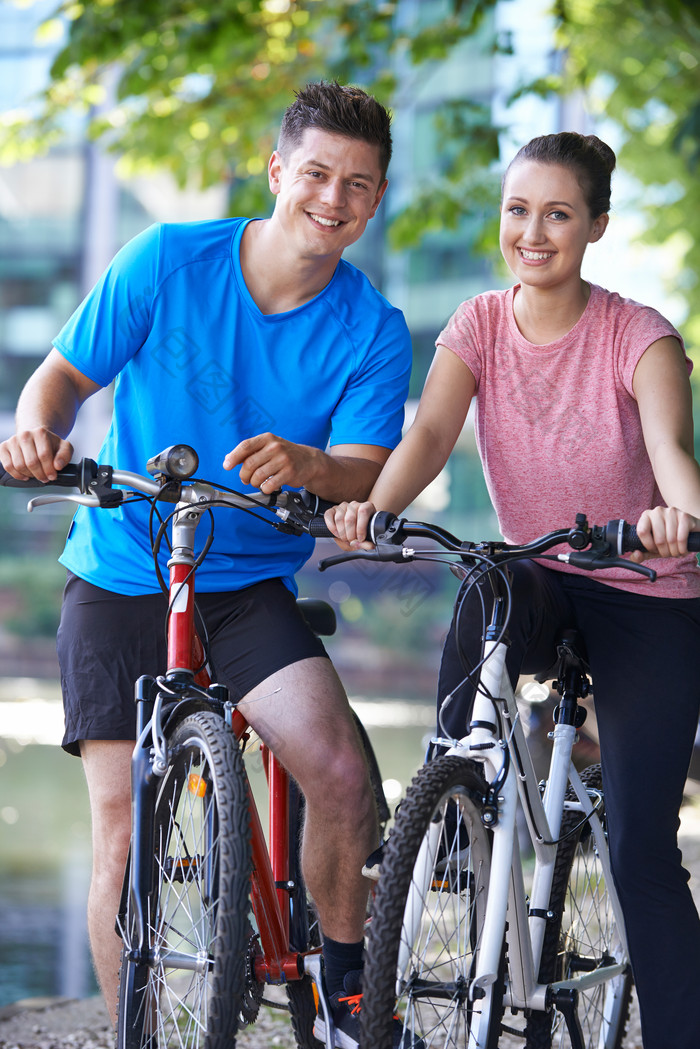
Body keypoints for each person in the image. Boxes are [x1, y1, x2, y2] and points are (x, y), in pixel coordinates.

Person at [0, 82, 416, 1049]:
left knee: (344, 772)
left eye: (358, 184)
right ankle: (134, 1032)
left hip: (243, 584)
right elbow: (61, 379)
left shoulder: (372, 329)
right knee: (121, 825)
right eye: (315, 173)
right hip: (118, 570)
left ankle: (347, 990)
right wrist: (34, 431)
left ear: (377, 197)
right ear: (278, 172)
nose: (332, 197)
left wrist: (309, 465)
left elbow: (361, 468)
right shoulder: (166, 260)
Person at [326, 131, 700, 1049]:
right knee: (486, 581)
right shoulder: (479, 325)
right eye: (518, 209)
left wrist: (681, 516)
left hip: (647, 588)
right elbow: (429, 436)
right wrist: (372, 508)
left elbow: (672, 457)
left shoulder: (639, 335)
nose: (533, 231)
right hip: (542, 569)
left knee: (642, 849)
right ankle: (453, 806)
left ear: (597, 226)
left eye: (559, 213)